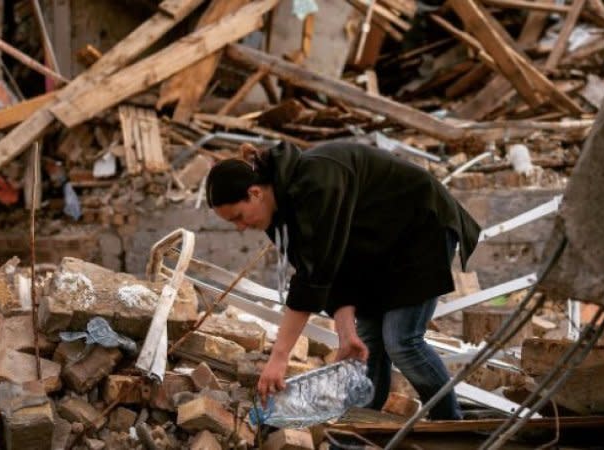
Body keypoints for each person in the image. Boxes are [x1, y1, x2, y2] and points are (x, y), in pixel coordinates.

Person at [205, 140, 480, 420]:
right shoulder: (278, 211)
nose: (240, 227)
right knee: (366, 344)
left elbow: (314, 276)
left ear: (255, 193)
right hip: (375, 247)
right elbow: (328, 263)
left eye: (238, 217)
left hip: (420, 229)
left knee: (401, 340)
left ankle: (448, 419)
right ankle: (361, 426)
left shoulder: (316, 182)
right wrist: (346, 331)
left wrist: (279, 357)